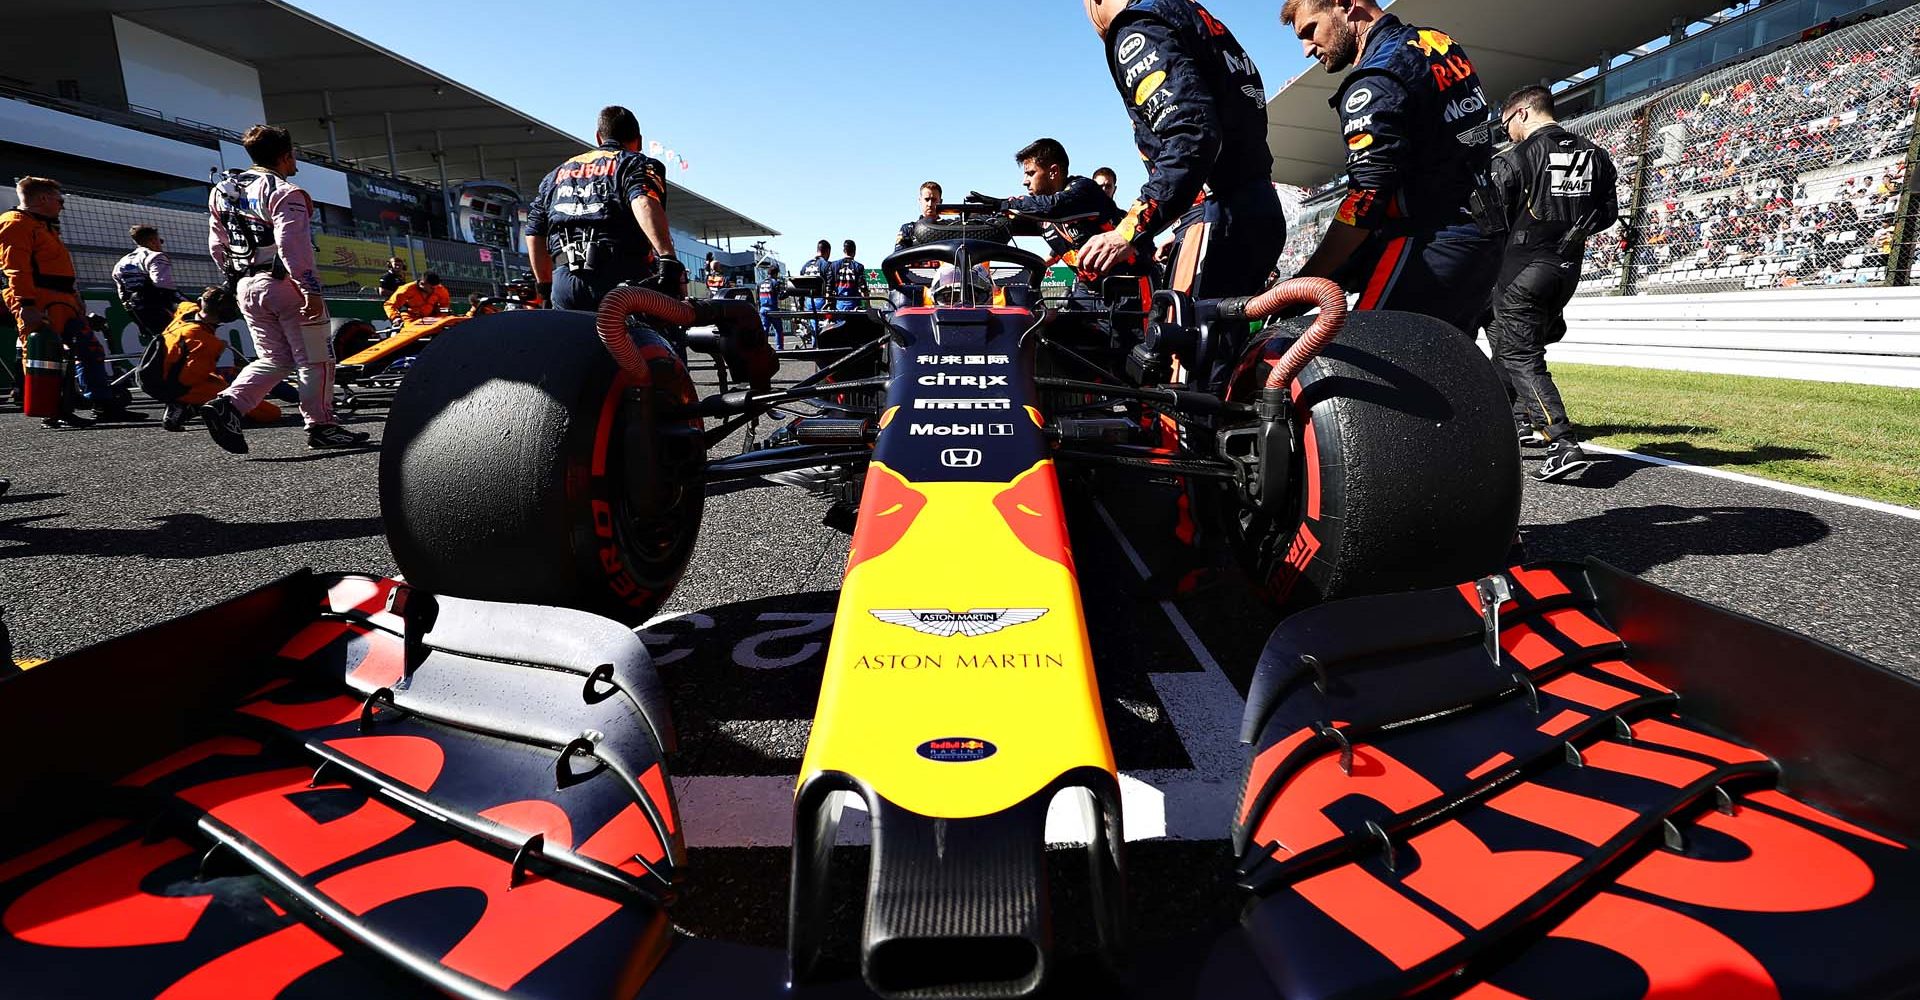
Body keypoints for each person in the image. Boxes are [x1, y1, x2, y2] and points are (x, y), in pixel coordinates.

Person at [1077, 0, 1283, 386]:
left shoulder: (1138, 26)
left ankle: (1184, 446)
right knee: (1221, 368)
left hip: (1216, 214)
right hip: (1255, 207)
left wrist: (1129, 230)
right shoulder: (1195, 16)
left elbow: (1192, 134)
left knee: (1180, 371)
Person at [1281, 0, 1502, 334]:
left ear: (1345, 4)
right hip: (1480, 238)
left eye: (1311, 31)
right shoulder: (1436, 43)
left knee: (1361, 370)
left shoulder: (1375, 79)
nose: (1307, 50)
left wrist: (1305, 282)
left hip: (1428, 245)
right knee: (1439, 376)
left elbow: (1366, 199)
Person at [204, 124, 368, 453]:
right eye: (294, 157)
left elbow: (216, 246)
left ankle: (229, 405)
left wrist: (237, 280)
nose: (296, 164)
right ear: (285, 155)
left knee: (275, 358)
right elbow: (293, 246)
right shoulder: (284, 191)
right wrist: (310, 289)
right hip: (285, 286)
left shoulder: (221, 190)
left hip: (246, 286)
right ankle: (322, 426)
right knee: (316, 359)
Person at [1488, 85, 1618, 482]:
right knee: (1514, 345)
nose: (1506, 130)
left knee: (1520, 354)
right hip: (1566, 268)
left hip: (1523, 268)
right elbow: (1607, 215)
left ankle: (1561, 441)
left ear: (1523, 113)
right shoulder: (1595, 154)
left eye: (1507, 122)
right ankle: (1518, 420)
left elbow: (1492, 221)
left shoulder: (1517, 157)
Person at [0, 177, 134, 422]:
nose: (63, 205)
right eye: (59, 200)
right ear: (43, 199)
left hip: (63, 300)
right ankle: (53, 411)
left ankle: (102, 403)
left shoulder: (44, 226)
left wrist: (75, 298)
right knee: (46, 356)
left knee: (90, 349)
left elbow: (59, 269)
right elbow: (15, 268)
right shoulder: (16, 223)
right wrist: (26, 305)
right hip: (38, 300)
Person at [524, 105, 682, 311]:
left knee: (572, 343)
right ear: (639, 141)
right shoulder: (634, 163)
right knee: (656, 339)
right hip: (622, 280)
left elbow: (534, 231)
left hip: (565, 283)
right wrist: (668, 258)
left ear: (599, 138)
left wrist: (544, 288)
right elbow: (643, 200)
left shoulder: (556, 175)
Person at [983, 138, 1132, 301]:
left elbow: (1055, 207)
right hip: (1088, 290)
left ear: (1053, 172)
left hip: (1129, 287)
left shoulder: (1085, 190)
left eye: (1031, 173)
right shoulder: (1038, 213)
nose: (1025, 181)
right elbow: (1003, 225)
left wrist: (1005, 204)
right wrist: (973, 219)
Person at [155, 286, 282, 432]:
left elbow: (183, 303)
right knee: (271, 413)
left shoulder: (186, 311)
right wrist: (226, 381)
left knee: (225, 377)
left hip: (161, 374)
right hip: (178, 386)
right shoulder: (207, 342)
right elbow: (192, 378)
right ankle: (186, 405)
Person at [112, 225, 181, 341]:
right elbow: (163, 285)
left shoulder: (120, 264)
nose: (160, 244)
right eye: (160, 241)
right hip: (161, 309)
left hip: (139, 312)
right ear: (153, 241)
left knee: (160, 343)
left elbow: (123, 296)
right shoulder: (156, 256)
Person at [797, 239, 833, 336]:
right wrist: (828, 302)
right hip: (821, 302)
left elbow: (800, 288)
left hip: (808, 302)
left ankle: (814, 346)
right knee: (825, 331)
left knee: (814, 329)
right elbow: (830, 286)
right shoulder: (826, 265)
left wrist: (801, 305)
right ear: (827, 251)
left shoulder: (805, 266)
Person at [384, 271, 451, 324]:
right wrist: (395, 318)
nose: (434, 290)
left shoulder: (440, 289)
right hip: (411, 318)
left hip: (431, 318)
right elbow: (390, 305)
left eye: (436, 287)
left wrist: (443, 314)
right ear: (422, 283)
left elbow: (445, 305)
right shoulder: (407, 289)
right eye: (431, 288)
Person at [896, 181, 944, 249]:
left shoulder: (949, 228)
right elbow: (899, 257)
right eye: (927, 199)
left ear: (940, 202)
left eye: (934, 200)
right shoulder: (909, 230)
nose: (930, 204)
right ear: (920, 201)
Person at [829, 240, 868, 314]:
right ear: (854, 251)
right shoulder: (859, 266)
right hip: (854, 304)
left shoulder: (834, 265)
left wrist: (828, 304)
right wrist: (868, 306)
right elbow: (863, 289)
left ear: (844, 250)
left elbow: (829, 288)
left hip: (839, 304)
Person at [757, 263, 786, 349]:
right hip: (772, 309)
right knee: (778, 329)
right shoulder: (775, 282)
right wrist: (787, 292)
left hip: (762, 309)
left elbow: (758, 298)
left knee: (764, 330)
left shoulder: (760, 283)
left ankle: (762, 348)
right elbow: (780, 296)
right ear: (775, 274)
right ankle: (779, 348)